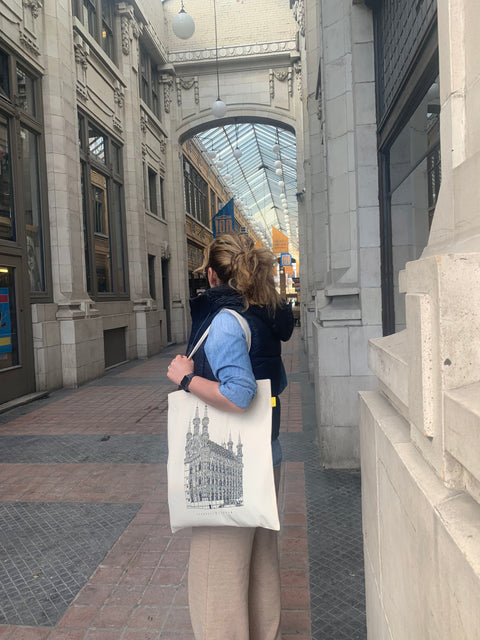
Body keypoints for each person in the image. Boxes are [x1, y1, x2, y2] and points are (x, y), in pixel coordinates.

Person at [167, 233, 294, 640]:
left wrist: (186, 378)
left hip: (228, 463)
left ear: (211, 274)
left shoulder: (224, 322)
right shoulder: (264, 314)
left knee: (215, 575)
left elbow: (238, 393)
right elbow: (273, 382)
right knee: (259, 563)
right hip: (265, 455)